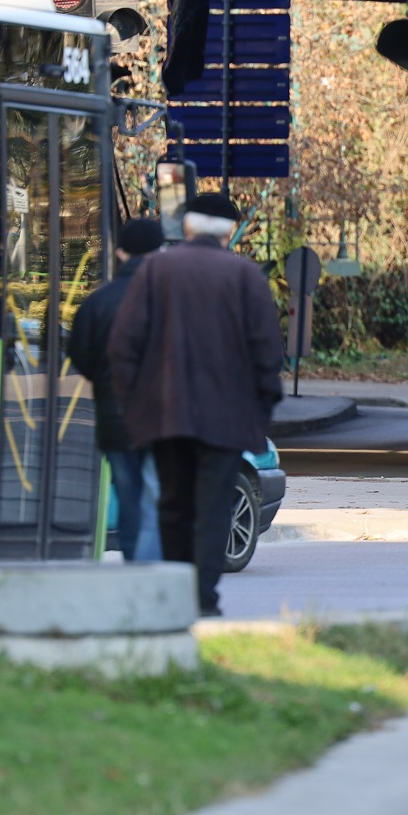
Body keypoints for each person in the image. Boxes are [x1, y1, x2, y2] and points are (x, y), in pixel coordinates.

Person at [108, 191, 283, 617]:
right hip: (227, 422)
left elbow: (123, 346)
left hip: (166, 417)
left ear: (187, 226)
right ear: (230, 232)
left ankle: (174, 591)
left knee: (174, 505)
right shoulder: (245, 278)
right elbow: (268, 355)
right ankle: (203, 598)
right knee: (213, 507)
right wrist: (258, 414)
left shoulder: (156, 272)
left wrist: (134, 407)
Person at [67, 216, 165, 562]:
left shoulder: (97, 302)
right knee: (156, 498)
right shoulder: (169, 300)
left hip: (115, 418)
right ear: (159, 252)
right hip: (162, 419)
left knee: (128, 496)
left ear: (120, 252)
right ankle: (151, 574)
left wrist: (104, 382)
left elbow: (79, 352)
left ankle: (133, 566)